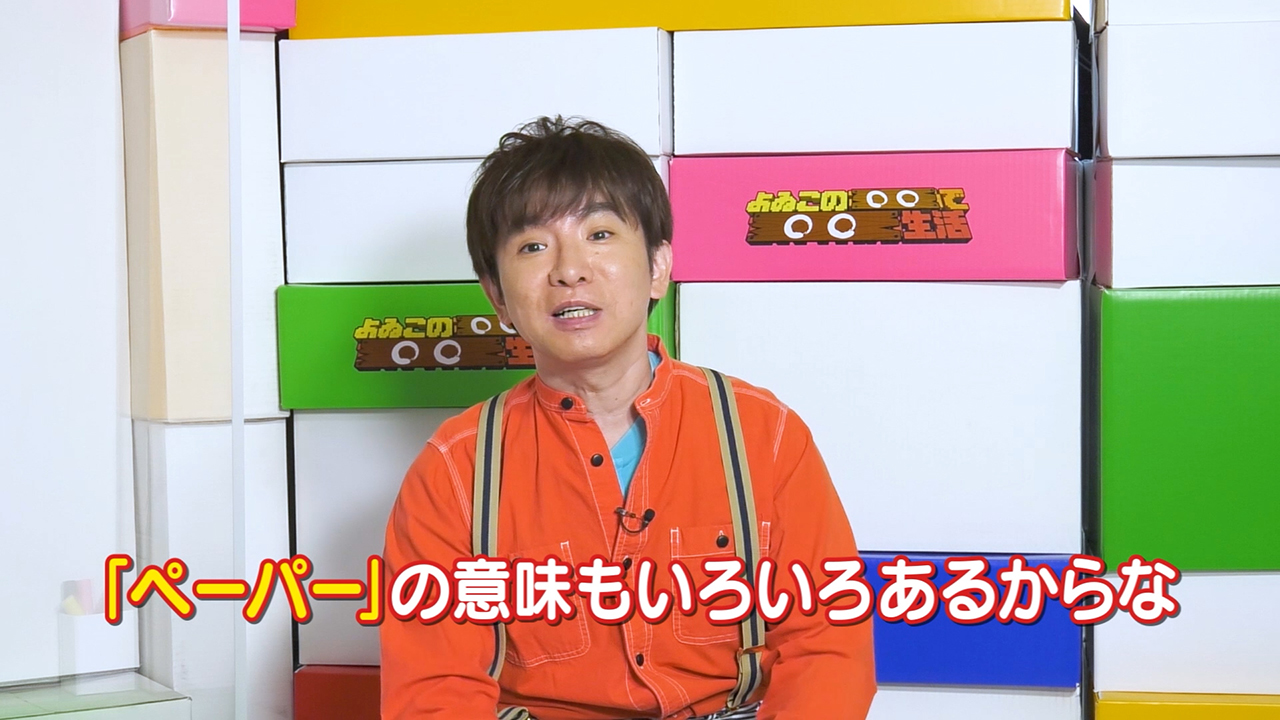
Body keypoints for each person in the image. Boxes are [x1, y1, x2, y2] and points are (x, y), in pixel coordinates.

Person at [381, 116, 876, 719]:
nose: (569, 269)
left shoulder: (764, 435)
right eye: (533, 246)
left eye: (599, 234)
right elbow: (435, 693)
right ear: (497, 296)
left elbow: (827, 646)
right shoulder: (454, 471)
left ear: (658, 267)